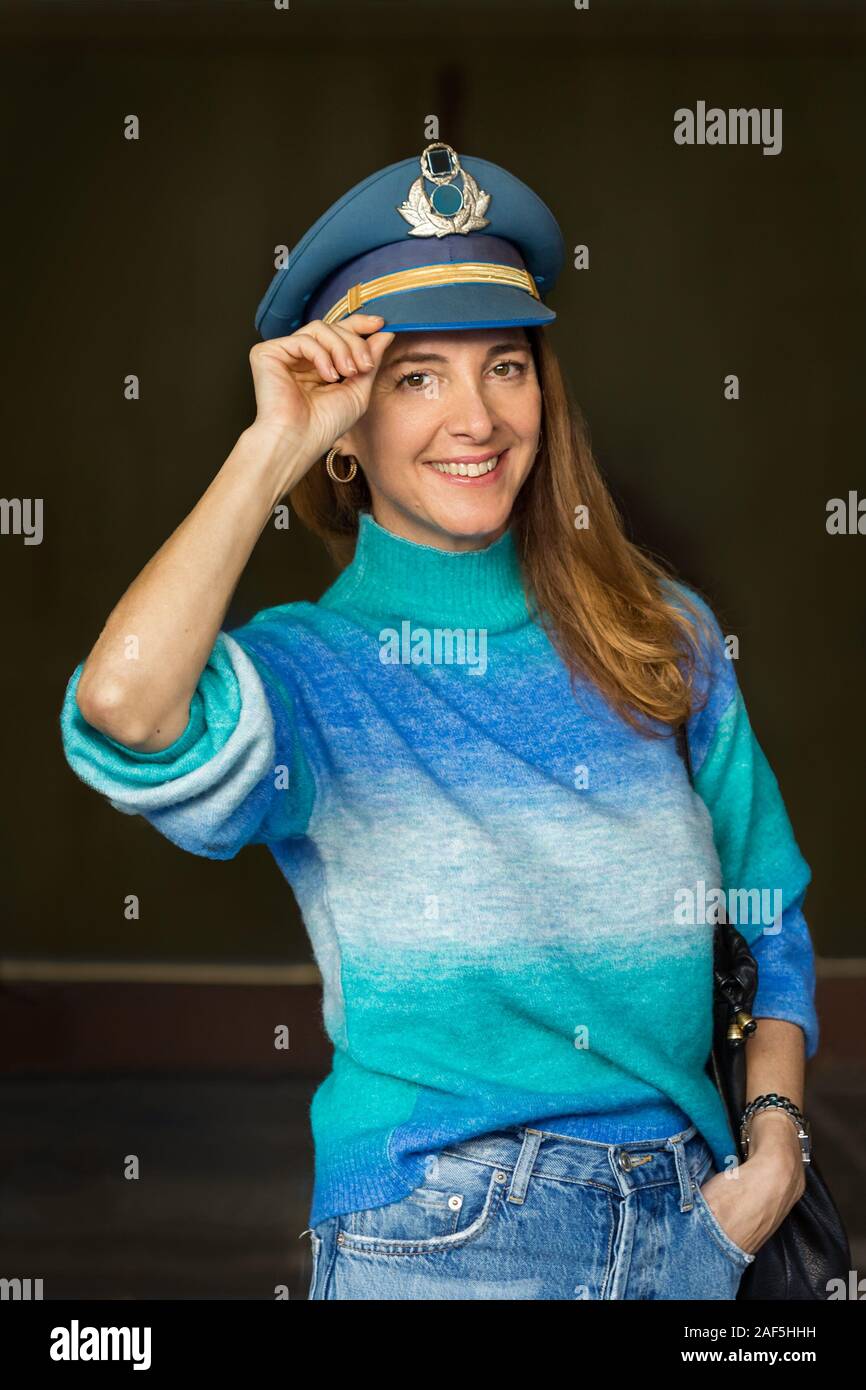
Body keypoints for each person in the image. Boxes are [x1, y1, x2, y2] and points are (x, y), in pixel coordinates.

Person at [60, 142, 816, 1301]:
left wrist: (771, 1144)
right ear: (346, 432)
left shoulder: (659, 630)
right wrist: (269, 447)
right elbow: (123, 704)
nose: (476, 417)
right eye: (414, 376)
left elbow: (764, 907)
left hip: (695, 1224)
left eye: (504, 366)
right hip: (448, 1237)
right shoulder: (307, 673)